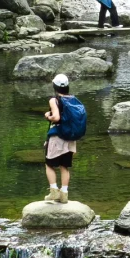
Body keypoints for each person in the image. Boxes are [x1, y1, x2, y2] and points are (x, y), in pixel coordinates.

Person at [44, 72, 84, 202]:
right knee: (64, 166)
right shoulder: (73, 99)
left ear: (54, 86)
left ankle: (54, 191)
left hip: (57, 137)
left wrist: (48, 116)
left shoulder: (54, 100)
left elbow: (56, 117)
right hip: (70, 138)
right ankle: (64, 194)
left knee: (49, 164)